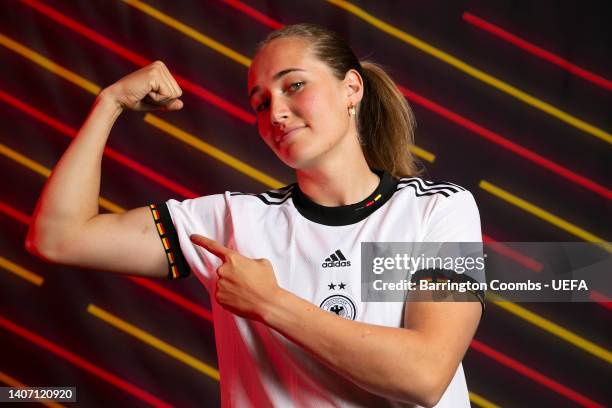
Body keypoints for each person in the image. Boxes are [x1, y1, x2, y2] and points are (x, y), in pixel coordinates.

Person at [26, 23, 484, 407]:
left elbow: (425, 374)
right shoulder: (232, 222)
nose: (277, 112)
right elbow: (59, 237)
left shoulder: (438, 209)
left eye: (295, 85)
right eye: (261, 103)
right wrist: (110, 104)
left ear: (351, 88)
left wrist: (270, 303)